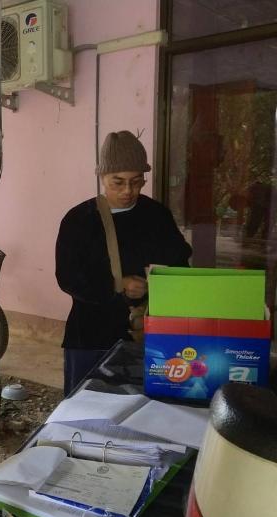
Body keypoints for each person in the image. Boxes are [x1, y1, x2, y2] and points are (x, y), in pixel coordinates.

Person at [55, 131, 192, 396]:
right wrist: (118, 283)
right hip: (92, 336)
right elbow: (68, 277)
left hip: (150, 336)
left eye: (137, 181)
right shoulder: (80, 220)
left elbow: (180, 267)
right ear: (102, 177)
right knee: (87, 407)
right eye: (118, 182)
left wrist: (156, 284)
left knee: (147, 408)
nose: (128, 191)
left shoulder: (158, 216)